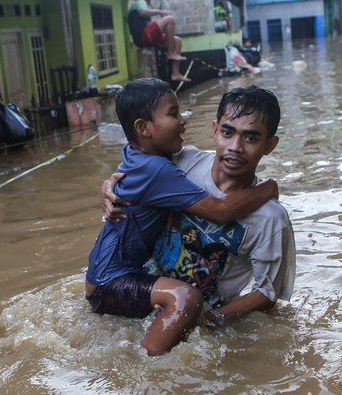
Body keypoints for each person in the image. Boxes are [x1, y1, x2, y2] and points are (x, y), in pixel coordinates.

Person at [86, 78, 279, 356]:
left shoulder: (143, 155)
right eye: (173, 114)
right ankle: (148, 367)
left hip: (107, 274)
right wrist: (269, 187)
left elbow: (268, 293)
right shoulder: (164, 168)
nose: (183, 120)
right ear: (143, 128)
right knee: (186, 298)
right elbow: (219, 211)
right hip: (113, 279)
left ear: (269, 144)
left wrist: (108, 185)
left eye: (250, 137)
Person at [127, 0, 190, 82]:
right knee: (170, 19)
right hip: (144, 36)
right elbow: (142, 12)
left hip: (147, 38)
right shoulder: (140, 2)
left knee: (177, 41)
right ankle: (170, 53)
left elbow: (151, 24)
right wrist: (161, 12)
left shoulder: (141, 8)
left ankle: (175, 73)